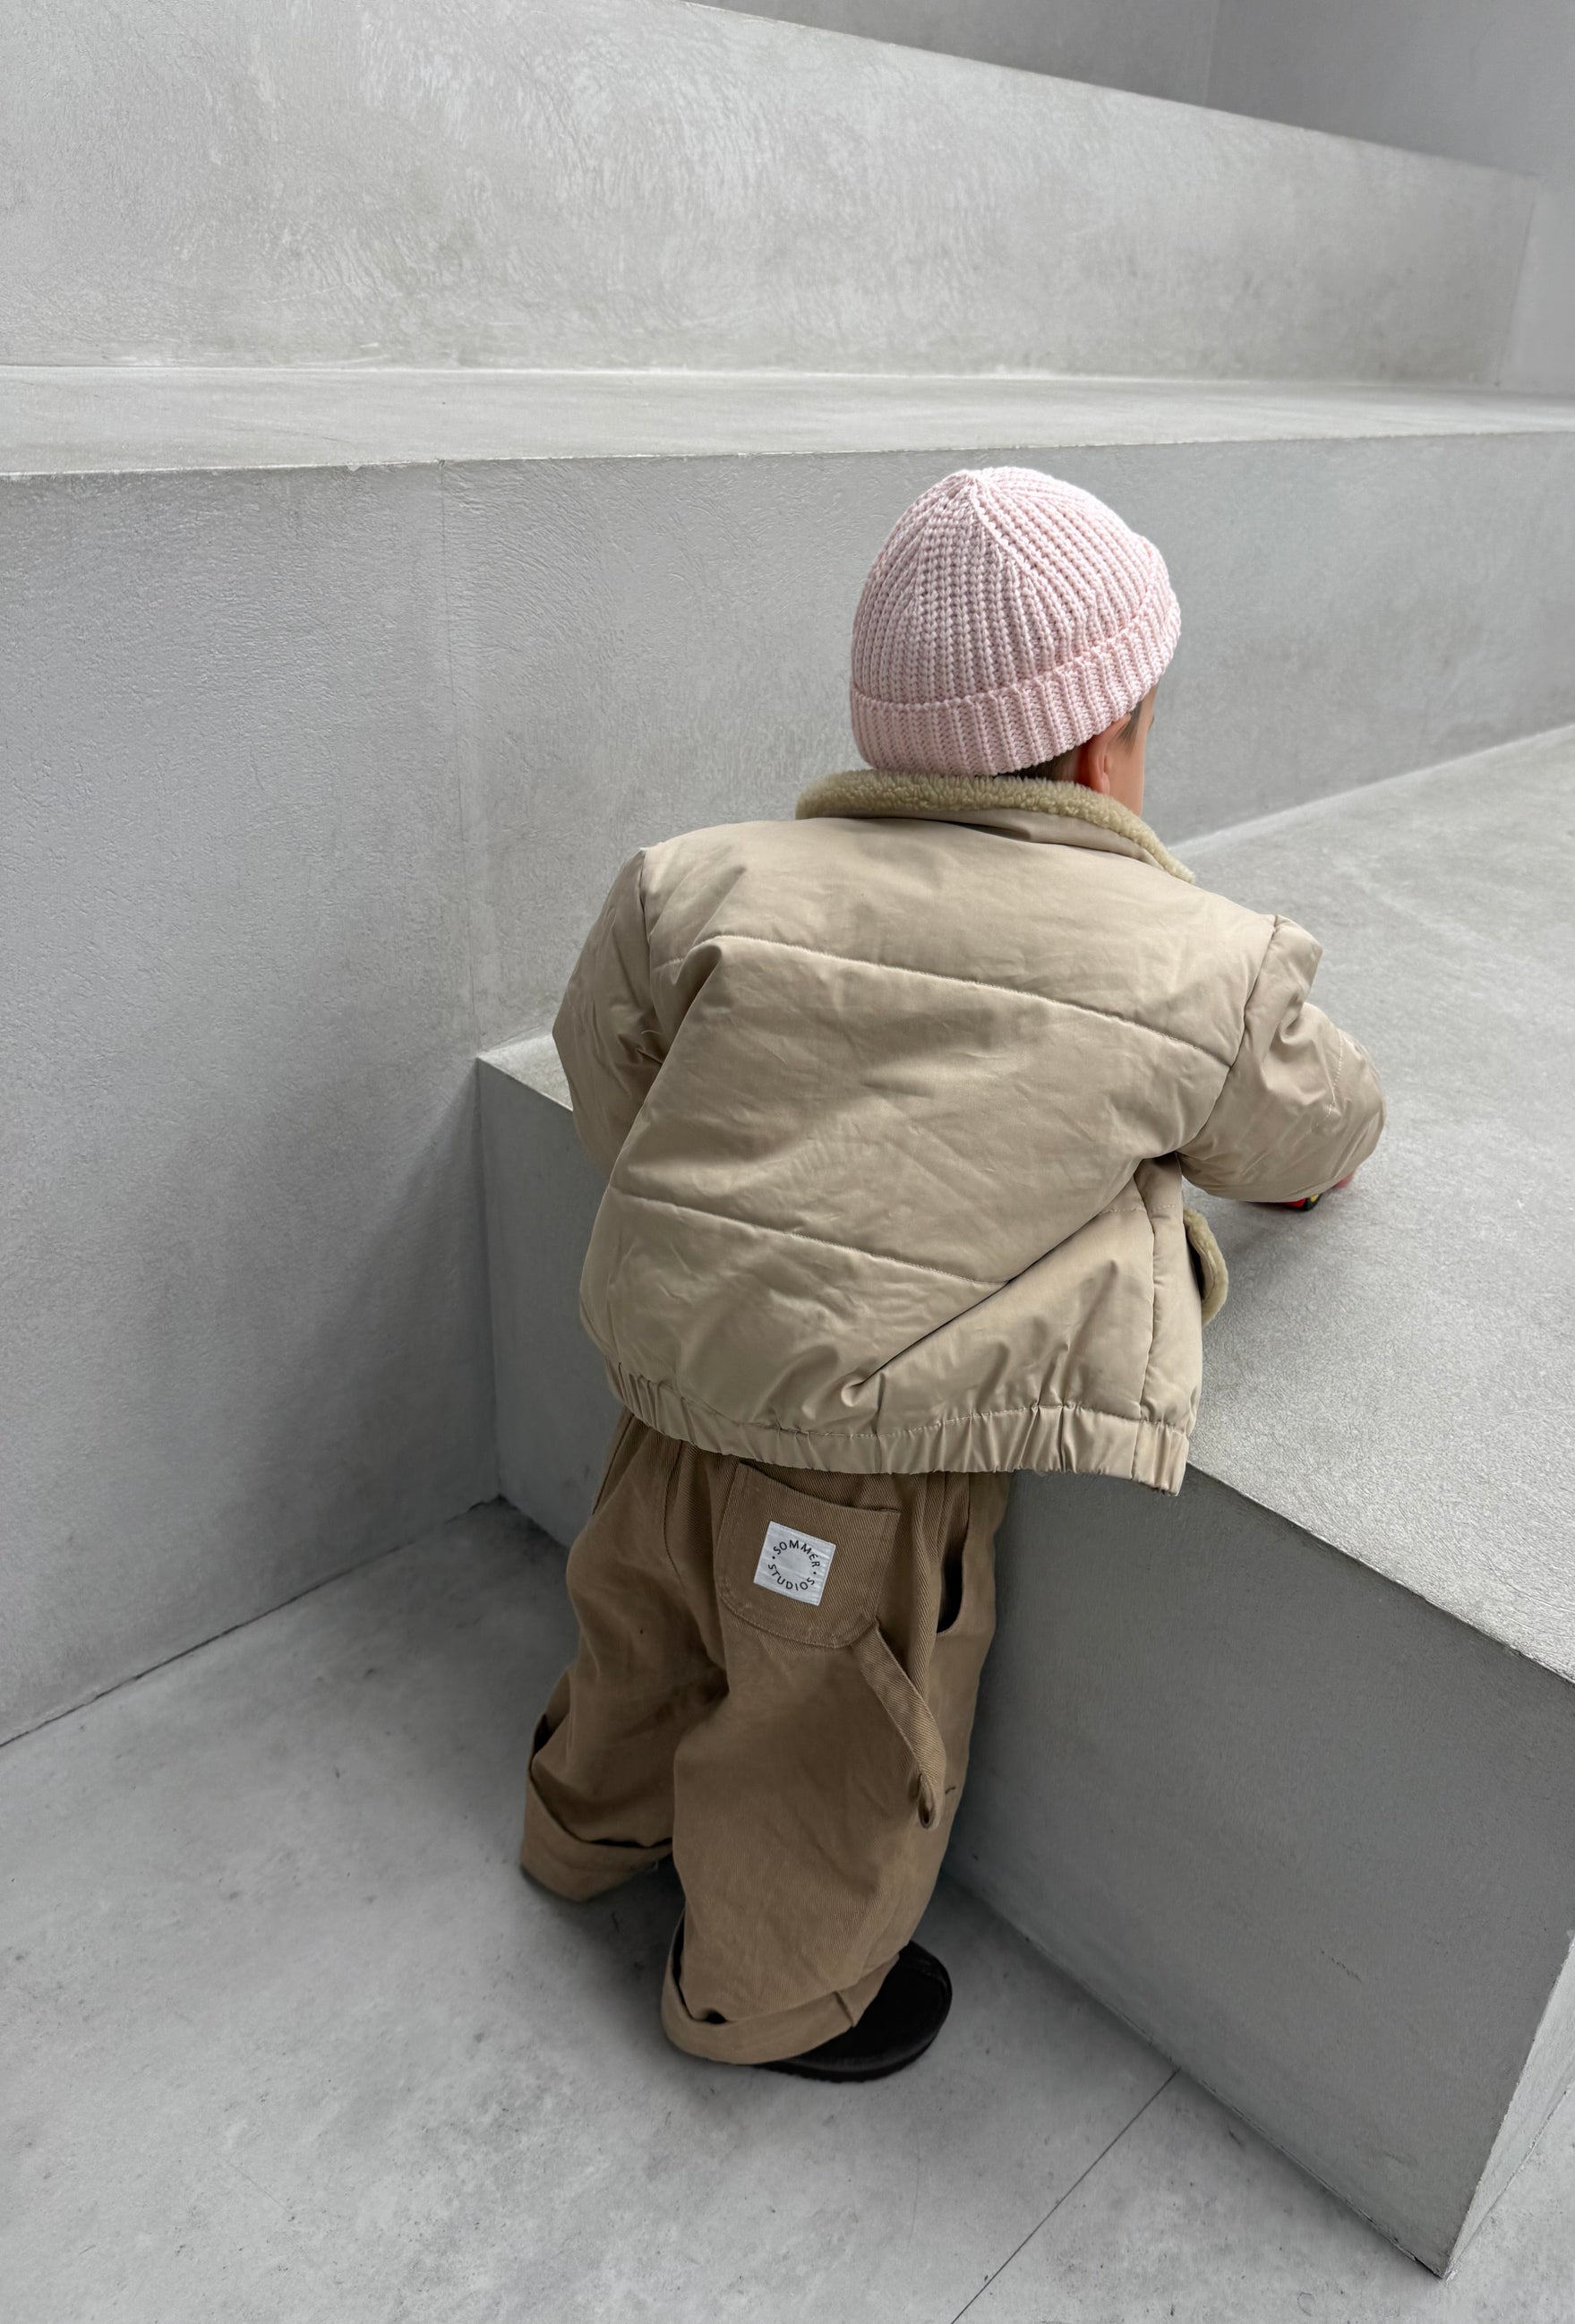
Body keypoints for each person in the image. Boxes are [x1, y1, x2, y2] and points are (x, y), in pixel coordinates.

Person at [519, 467, 1385, 2080]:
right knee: (824, 1739)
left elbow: (606, 1061)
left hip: (670, 1390)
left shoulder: (698, 878)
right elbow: (1306, 1121)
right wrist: (1320, 1161)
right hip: (867, 1477)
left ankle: (580, 1833)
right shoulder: (1196, 958)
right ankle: (762, 2000)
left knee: (636, 1629)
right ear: (1104, 745)